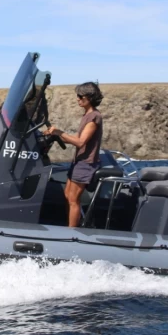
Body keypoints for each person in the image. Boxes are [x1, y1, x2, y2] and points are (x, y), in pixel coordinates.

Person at [45, 82, 104, 227]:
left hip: (86, 163)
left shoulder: (94, 117)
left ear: (89, 97)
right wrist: (55, 134)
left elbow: (80, 142)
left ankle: (72, 234)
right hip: (79, 161)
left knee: (73, 199)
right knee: (67, 196)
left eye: (80, 96)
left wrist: (59, 132)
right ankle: (70, 225)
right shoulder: (87, 115)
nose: (77, 98)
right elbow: (76, 139)